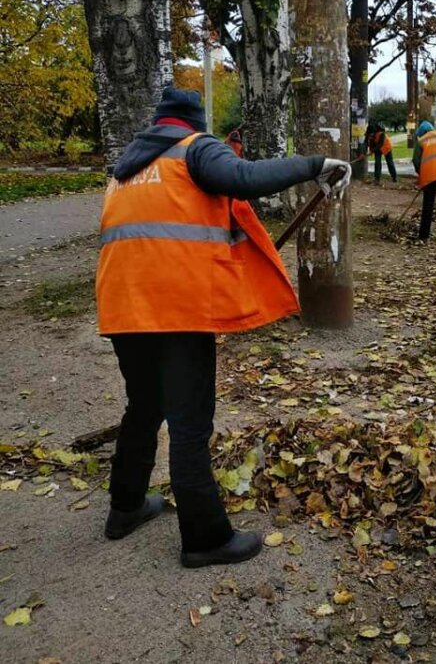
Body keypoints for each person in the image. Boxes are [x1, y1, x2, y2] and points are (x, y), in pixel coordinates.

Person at [96, 87, 351, 568]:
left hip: (124, 306)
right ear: (194, 122)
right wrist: (316, 163)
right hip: (178, 308)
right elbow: (242, 177)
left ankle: (124, 509)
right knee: (190, 424)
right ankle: (205, 538)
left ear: (158, 122)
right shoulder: (194, 149)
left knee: (144, 409)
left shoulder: (127, 169)